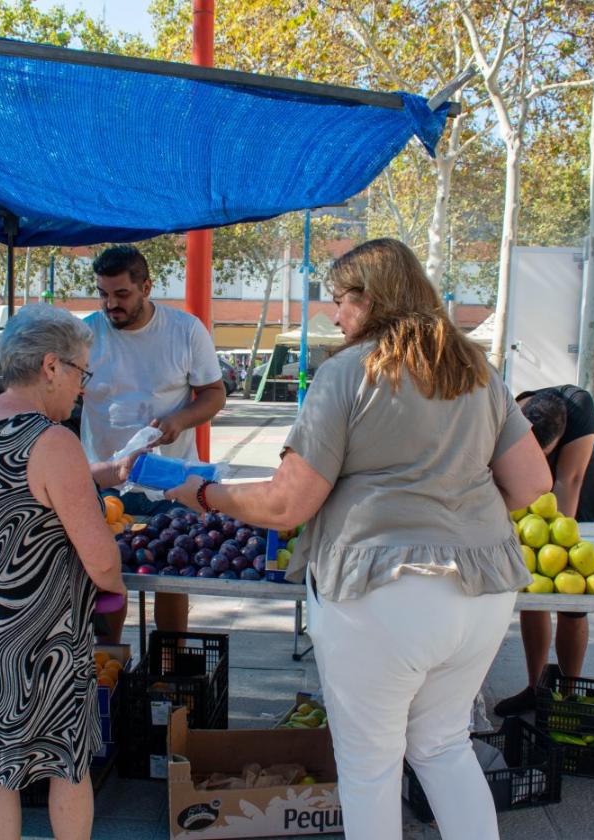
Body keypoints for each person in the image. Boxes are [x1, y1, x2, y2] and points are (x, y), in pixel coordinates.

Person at [166, 238, 552, 840]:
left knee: (369, 768)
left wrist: (205, 493)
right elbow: (532, 483)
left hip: (379, 593)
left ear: (371, 300)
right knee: (444, 747)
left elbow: (288, 503)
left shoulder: (348, 372)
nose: (335, 316)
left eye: (341, 301)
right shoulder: (476, 370)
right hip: (482, 590)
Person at [0, 304, 131, 840]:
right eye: (80, 372)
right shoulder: (54, 441)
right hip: (38, 636)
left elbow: (12, 487)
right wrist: (117, 583)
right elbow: (102, 563)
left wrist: (95, 473)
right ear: (51, 366)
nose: (82, 389)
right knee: (65, 764)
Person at [81, 245, 226, 642]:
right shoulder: (86, 334)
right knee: (108, 579)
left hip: (170, 479)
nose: (111, 304)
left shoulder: (185, 330)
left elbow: (215, 394)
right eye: (103, 294)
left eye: (121, 294)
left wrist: (180, 420)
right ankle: (110, 659)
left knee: (170, 573)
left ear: (146, 287)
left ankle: (171, 664)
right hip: (103, 480)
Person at [494, 386, 594, 719]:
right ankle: (535, 688)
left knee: (572, 603)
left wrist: (557, 547)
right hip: (527, 497)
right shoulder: (508, 409)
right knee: (534, 592)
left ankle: (568, 696)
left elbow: (568, 480)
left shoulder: (578, 406)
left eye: (547, 452)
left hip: (572, 502)